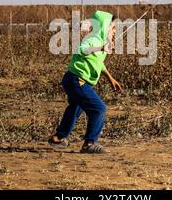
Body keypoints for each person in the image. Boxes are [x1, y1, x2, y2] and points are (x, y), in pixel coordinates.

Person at [49, 10, 122, 153]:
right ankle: (89, 144)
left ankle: (58, 138)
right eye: (113, 28)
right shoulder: (93, 40)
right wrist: (101, 48)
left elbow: (99, 63)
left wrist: (110, 78)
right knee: (99, 109)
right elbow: (82, 50)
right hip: (77, 81)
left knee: (75, 108)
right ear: (104, 27)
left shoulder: (101, 42)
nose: (114, 32)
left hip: (74, 80)